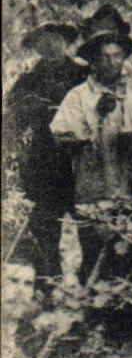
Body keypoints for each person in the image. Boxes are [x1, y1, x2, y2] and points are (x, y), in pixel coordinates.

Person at [50, 30, 132, 205]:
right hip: (97, 187)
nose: (112, 63)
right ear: (93, 62)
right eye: (105, 57)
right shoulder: (79, 96)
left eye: (117, 56)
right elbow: (61, 135)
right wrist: (96, 124)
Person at [4, 23, 86, 276]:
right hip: (44, 157)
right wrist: (29, 109)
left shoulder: (83, 73)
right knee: (46, 222)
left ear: (66, 42)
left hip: (81, 153)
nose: (50, 45)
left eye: (56, 39)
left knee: (87, 216)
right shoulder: (28, 78)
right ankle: (50, 278)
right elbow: (12, 112)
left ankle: (92, 278)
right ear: (37, 46)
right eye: (44, 40)